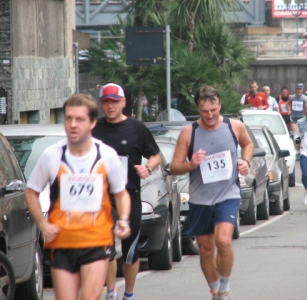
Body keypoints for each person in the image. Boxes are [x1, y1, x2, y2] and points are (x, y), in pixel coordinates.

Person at [24, 94, 132, 300]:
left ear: (92, 123)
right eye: (68, 118)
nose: (73, 125)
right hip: (62, 242)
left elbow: (121, 194)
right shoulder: (51, 155)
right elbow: (31, 192)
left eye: (80, 119)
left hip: (97, 240)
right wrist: (43, 225)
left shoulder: (106, 155)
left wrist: (124, 220)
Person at [170, 85, 254, 300]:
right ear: (198, 108)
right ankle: (215, 290)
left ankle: (225, 288)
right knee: (206, 249)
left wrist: (245, 161)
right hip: (200, 199)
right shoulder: (189, 132)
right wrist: (190, 165)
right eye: (204, 111)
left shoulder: (234, 126)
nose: (209, 115)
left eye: (214, 110)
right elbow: (174, 167)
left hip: (228, 194)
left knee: (224, 241)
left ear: (220, 106)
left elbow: (248, 144)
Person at [92, 83, 162, 300]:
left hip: (130, 195)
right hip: (101, 197)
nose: (110, 106)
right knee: (106, 248)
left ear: (123, 102)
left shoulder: (136, 128)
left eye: (114, 101)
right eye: (106, 101)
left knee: (131, 251)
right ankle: (111, 291)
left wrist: (147, 167)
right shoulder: (93, 128)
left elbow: (156, 155)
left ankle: (129, 294)